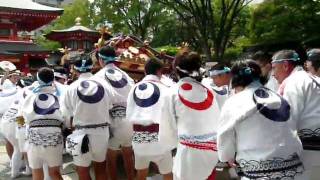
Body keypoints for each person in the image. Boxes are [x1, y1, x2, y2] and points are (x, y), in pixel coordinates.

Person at [217, 60, 305, 179]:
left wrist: (227, 156)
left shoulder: (234, 101)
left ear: (235, 80)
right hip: (295, 169)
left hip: (260, 171)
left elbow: (224, 136)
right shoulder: (278, 97)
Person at [164, 52, 220, 180]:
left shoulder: (172, 92)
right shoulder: (208, 91)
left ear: (176, 70)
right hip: (212, 151)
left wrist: (171, 145)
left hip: (188, 154)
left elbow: (168, 128)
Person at [271, 50, 320, 179]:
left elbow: (288, 119)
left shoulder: (294, 82)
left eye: (274, 68)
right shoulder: (313, 79)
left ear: (285, 65)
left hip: (308, 153)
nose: (272, 74)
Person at [61, 54, 110, 180]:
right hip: (102, 131)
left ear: (75, 69)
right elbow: (109, 107)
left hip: (80, 132)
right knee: (101, 168)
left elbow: (66, 114)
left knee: (82, 170)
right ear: (92, 67)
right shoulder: (105, 85)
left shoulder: (70, 88)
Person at [126, 58, 176, 180]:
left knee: (141, 173)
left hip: (139, 138)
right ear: (160, 72)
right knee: (168, 174)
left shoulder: (134, 88)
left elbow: (129, 113)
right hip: (160, 138)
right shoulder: (167, 88)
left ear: (145, 71)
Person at [95, 46, 135, 180]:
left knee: (110, 158)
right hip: (129, 118)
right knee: (128, 154)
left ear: (100, 59)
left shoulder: (98, 77)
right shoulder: (126, 75)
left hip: (112, 119)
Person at [22, 67, 64, 180]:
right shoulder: (59, 95)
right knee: (55, 172)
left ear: (38, 79)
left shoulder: (30, 96)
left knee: (37, 173)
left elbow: (24, 117)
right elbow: (65, 116)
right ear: (53, 79)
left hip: (34, 135)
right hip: (54, 134)